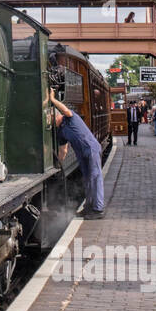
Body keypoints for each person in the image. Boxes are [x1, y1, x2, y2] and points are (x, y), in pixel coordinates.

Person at [49, 89, 104, 218]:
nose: (52, 123)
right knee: (87, 179)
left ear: (57, 116)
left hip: (91, 148)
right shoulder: (61, 131)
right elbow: (64, 150)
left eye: (52, 120)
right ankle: (89, 206)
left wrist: (52, 99)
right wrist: (58, 165)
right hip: (81, 153)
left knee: (95, 177)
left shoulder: (70, 118)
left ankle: (98, 209)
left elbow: (66, 110)